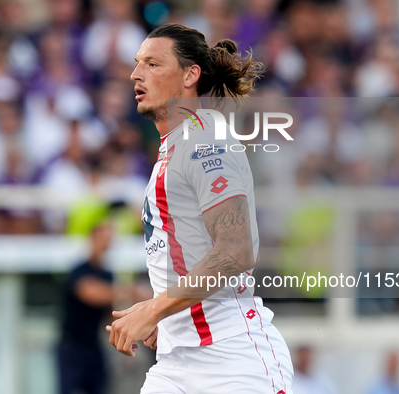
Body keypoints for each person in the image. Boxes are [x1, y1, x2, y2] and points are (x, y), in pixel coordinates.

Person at [106, 23, 293, 393]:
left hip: (232, 361)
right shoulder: (175, 145)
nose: (135, 74)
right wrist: (170, 315)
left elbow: (236, 250)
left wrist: (153, 309)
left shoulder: (206, 139)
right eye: (137, 63)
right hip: (176, 361)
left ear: (190, 75)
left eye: (153, 64)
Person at [58, 219, 150, 394]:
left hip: (94, 347)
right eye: (104, 238)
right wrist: (130, 291)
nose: (107, 243)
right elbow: (91, 294)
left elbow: (110, 312)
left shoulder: (108, 274)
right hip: (72, 347)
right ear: (92, 238)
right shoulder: (80, 269)